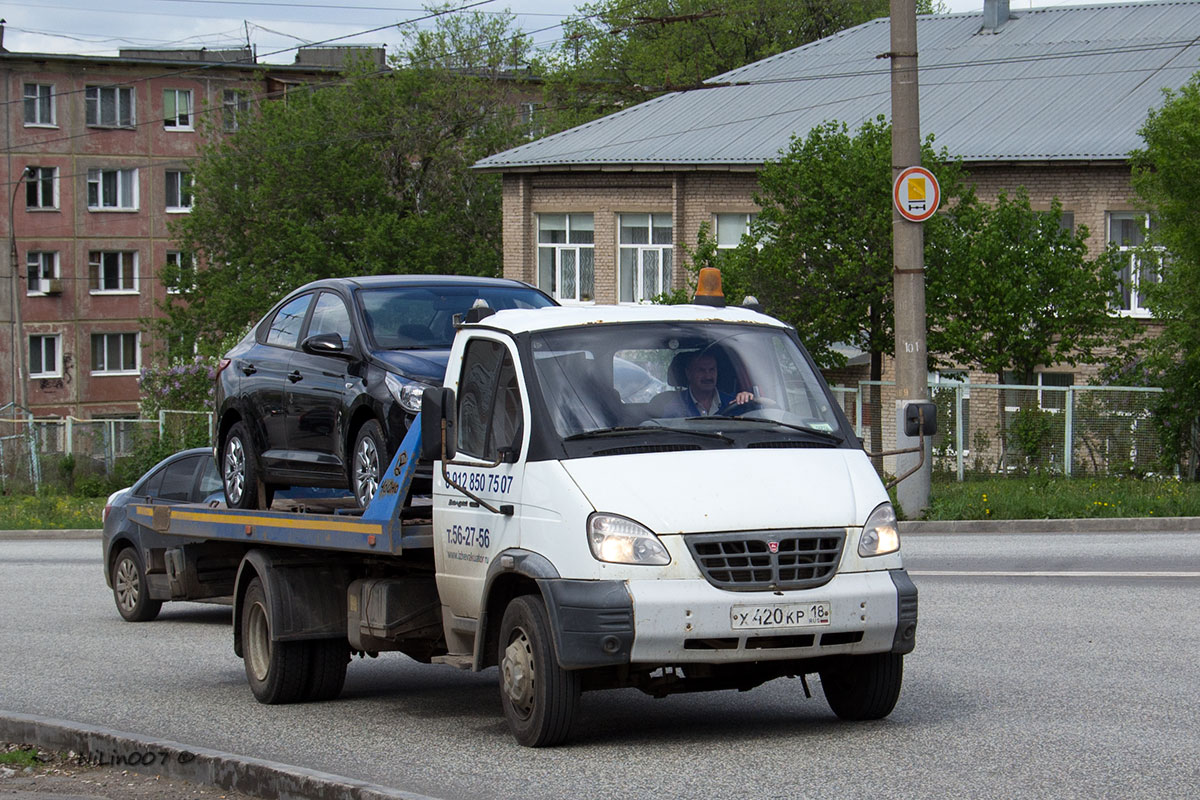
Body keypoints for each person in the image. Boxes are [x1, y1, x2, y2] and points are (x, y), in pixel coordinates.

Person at [652, 351, 753, 417]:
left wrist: (748, 402)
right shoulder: (674, 407)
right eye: (701, 370)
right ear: (688, 373)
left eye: (712, 370)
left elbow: (757, 425)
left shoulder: (733, 403)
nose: (708, 376)